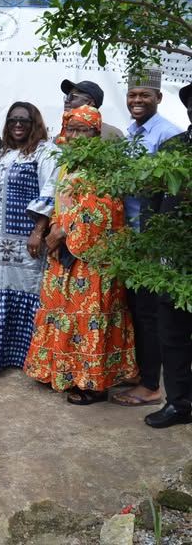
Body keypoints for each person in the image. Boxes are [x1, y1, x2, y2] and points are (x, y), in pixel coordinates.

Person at [23, 105, 137, 404]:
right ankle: (64, 373)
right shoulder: (69, 163)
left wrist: (63, 231)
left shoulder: (104, 165)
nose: (74, 136)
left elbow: (105, 209)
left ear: (95, 132)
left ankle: (93, 384)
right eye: (70, 129)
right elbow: (62, 203)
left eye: (82, 130)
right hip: (64, 251)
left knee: (90, 317)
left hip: (92, 257)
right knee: (63, 314)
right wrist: (54, 228)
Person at [0, 102, 59, 373]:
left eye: (24, 121)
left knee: (25, 290)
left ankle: (25, 356)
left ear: (34, 123)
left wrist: (38, 231)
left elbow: (51, 191)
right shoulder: (2, 153)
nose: (18, 125)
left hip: (25, 242)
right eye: (13, 120)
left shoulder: (45, 152)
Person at [112, 68, 182, 408]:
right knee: (136, 310)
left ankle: (152, 385)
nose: (137, 100)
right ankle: (139, 372)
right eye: (132, 95)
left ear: (159, 98)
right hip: (131, 238)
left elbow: (170, 195)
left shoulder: (169, 135)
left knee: (151, 314)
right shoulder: (132, 133)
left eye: (144, 95)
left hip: (151, 242)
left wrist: (155, 244)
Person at [144, 82, 192, 428]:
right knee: (172, 332)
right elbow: (153, 200)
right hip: (171, 256)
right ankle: (179, 403)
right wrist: (151, 244)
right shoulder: (174, 147)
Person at [57, 79, 123, 142]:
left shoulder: (112, 135)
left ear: (90, 103)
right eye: (67, 96)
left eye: (72, 97)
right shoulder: (59, 138)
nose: (66, 101)